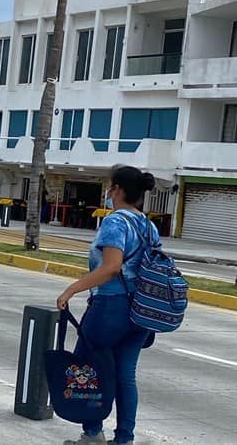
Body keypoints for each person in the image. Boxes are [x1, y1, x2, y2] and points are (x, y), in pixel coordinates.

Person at [56, 166, 158, 445]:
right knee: (126, 375)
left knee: (90, 368)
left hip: (110, 307)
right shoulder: (148, 226)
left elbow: (111, 268)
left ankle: (92, 433)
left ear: (119, 189)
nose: (107, 192)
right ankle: (124, 439)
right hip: (141, 310)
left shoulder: (116, 223)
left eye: (110, 186)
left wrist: (72, 288)